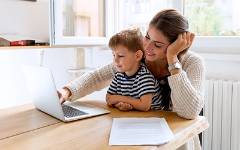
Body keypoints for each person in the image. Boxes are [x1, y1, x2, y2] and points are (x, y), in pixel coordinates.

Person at [58, 9, 205, 150]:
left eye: (158, 45)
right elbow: (98, 76)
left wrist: (172, 60)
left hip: (177, 141)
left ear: (176, 46)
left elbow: (190, 111)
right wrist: (67, 91)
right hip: (139, 133)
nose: (147, 46)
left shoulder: (192, 63)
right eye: (147, 37)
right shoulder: (139, 56)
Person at [106, 28, 162, 111]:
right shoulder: (119, 75)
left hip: (152, 118)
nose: (115, 60)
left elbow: (144, 106)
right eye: (114, 55)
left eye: (120, 56)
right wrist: (120, 104)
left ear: (137, 56)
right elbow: (109, 99)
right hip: (132, 117)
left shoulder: (145, 77)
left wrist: (119, 98)